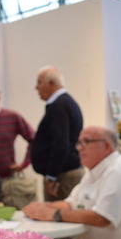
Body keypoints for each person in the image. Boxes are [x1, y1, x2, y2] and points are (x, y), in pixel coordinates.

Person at [23, 126, 121, 239]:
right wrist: (40, 208)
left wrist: (55, 214)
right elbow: (71, 203)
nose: (79, 148)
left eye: (87, 141)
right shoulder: (95, 170)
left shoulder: (119, 171)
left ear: (107, 146)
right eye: (79, 142)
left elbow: (103, 218)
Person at [31, 66, 84, 201]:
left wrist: (51, 176)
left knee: (58, 213)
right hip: (63, 173)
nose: (36, 87)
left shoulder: (59, 106)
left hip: (62, 177)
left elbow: (60, 143)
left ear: (51, 83)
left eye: (39, 82)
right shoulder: (64, 103)